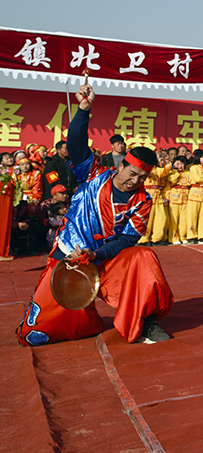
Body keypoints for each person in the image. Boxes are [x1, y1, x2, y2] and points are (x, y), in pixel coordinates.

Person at [16, 83, 173, 346]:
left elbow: (126, 240)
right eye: (132, 174)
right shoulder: (95, 174)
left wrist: (96, 254)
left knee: (144, 257)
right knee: (35, 334)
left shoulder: (143, 201)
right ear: (120, 165)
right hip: (69, 257)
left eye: (142, 178)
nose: (135, 181)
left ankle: (146, 320)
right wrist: (83, 110)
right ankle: (84, 319)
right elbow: (76, 144)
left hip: (104, 260)